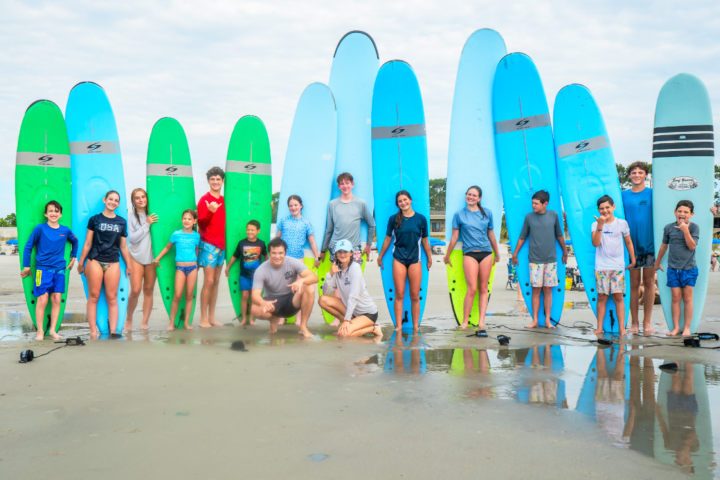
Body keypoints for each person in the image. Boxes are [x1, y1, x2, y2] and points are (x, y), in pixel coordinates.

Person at [317, 172, 376, 327]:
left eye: (347, 183)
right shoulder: (332, 204)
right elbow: (329, 229)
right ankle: (340, 318)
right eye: (341, 183)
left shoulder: (361, 203)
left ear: (352, 184)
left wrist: (369, 245)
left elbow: (371, 224)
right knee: (338, 281)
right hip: (335, 248)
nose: (344, 186)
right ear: (339, 186)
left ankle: (355, 315)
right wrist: (323, 250)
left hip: (354, 248)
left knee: (352, 283)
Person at [443, 186, 500, 331]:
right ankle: (464, 322)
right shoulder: (459, 214)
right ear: (466, 195)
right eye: (469, 194)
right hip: (469, 254)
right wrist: (447, 254)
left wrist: (497, 253)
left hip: (486, 253)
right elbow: (455, 236)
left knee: (483, 288)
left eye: (474, 195)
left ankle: (481, 321)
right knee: (472, 289)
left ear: (479, 198)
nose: (471, 197)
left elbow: (491, 234)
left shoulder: (487, 213)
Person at [77, 190, 133, 337]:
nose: (113, 202)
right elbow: (88, 243)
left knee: (112, 297)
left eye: (116, 200)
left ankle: (113, 331)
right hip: (95, 259)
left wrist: (129, 265)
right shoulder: (94, 219)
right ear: (104, 200)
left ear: (118, 204)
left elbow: (123, 246)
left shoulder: (121, 222)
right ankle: (93, 331)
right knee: (94, 296)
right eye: (110, 199)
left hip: (113, 261)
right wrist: (81, 262)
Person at [20, 201, 78, 340]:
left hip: (60, 270)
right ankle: (40, 331)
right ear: (46, 214)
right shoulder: (40, 228)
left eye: (57, 211)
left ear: (61, 214)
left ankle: (52, 330)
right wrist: (27, 266)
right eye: (51, 211)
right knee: (42, 299)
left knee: (57, 299)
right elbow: (28, 246)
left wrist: (73, 256)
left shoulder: (65, 230)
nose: (54, 213)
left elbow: (75, 241)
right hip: (42, 270)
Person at [511, 190, 568, 329]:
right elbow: (522, 237)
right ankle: (535, 320)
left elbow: (559, 235)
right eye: (532, 203)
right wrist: (515, 253)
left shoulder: (554, 215)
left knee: (548, 290)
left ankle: (548, 320)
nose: (533, 205)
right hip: (535, 260)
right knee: (536, 290)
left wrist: (565, 252)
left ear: (545, 204)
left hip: (550, 260)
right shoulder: (529, 217)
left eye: (536, 203)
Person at [377, 190, 432, 333]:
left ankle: (415, 327)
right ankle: (399, 326)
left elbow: (425, 240)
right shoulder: (393, 219)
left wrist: (429, 257)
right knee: (399, 294)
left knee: (414, 295)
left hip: (415, 259)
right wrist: (380, 256)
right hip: (399, 258)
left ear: (410, 200)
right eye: (400, 201)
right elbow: (388, 239)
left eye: (405, 199)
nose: (403, 203)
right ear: (397, 204)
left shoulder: (421, 219)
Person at [251, 238, 317, 338]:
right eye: (274, 253)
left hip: (292, 300)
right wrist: (262, 302)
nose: (277, 256)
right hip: (273, 303)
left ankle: (303, 327)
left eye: (280, 253)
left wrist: (301, 280)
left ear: (285, 252)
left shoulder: (293, 262)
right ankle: (273, 319)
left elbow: (314, 277)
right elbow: (255, 295)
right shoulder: (261, 270)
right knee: (254, 309)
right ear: (269, 253)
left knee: (309, 286)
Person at [591, 195, 636, 336]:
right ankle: (599, 328)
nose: (605, 211)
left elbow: (628, 242)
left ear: (613, 207)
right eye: (601, 208)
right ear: (598, 210)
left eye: (607, 207)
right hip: (601, 267)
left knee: (618, 297)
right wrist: (600, 226)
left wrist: (633, 259)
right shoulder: (595, 224)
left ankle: (622, 328)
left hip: (617, 267)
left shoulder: (622, 223)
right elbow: (595, 243)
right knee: (602, 297)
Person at [319, 239, 382, 337]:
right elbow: (326, 292)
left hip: (367, 313)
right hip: (352, 312)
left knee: (344, 335)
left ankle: (373, 328)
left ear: (351, 253)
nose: (342, 254)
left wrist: (346, 320)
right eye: (339, 251)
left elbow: (354, 296)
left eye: (345, 251)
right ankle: (352, 325)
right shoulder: (337, 269)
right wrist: (329, 274)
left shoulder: (355, 268)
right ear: (336, 254)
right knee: (322, 300)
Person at [654, 200, 699, 337]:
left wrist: (685, 231)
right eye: (680, 211)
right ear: (675, 212)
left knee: (687, 298)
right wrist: (657, 262)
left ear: (691, 214)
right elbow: (664, 246)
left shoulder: (693, 227)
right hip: (673, 269)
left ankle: (686, 328)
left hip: (689, 269)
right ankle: (675, 328)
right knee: (675, 297)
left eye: (686, 212)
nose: (682, 214)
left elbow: (692, 246)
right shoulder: (669, 228)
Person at [153, 209, 200, 331]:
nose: (186, 221)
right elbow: (167, 248)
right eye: (185, 218)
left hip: (193, 268)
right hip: (180, 268)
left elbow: (197, 250)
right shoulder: (176, 234)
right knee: (177, 295)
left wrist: (197, 264)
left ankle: (186, 323)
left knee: (189, 295)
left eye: (190, 219)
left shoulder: (196, 236)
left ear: (194, 221)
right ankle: (171, 323)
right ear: (181, 220)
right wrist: (157, 259)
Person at [276, 195, 320, 326]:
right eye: (290, 205)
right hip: (284, 259)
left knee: (300, 288)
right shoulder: (283, 221)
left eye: (296, 205)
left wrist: (317, 257)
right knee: (283, 288)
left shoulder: (306, 223)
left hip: (299, 260)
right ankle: (282, 316)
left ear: (301, 205)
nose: (293, 207)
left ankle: (298, 318)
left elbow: (312, 242)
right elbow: (277, 240)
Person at [197, 166, 226, 328]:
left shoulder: (224, 200)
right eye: (212, 179)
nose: (215, 182)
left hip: (222, 245)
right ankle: (203, 319)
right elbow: (200, 224)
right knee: (208, 281)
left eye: (218, 179)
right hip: (208, 244)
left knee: (215, 281)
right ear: (208, 181)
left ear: (222, 181)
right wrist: (210, 211)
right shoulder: (204, 200)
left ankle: (212, 317)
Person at [126, 188, 158, 330]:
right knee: (135, 290)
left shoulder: (154, 214)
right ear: (133, 201)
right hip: (136, 257)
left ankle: (145, 322)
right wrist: (147, 224)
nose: (141, 200)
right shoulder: (131, 216)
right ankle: (128, 319)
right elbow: (132, 239)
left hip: (152, 258)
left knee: (149, 289)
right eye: (137, 198)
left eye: (143, 197)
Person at [226, 220, 267, 327]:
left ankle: (251, 319)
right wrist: (228, 267)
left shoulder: (261, 243)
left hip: (257, 277)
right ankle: (244, 319)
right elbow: (235, 256)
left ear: (258, 231)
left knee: (254, 297)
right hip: (244, 276)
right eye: (248, 229)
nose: (250, 232)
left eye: (252, 230)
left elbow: (266, 258)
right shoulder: (242, 243)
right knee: (244, 296)